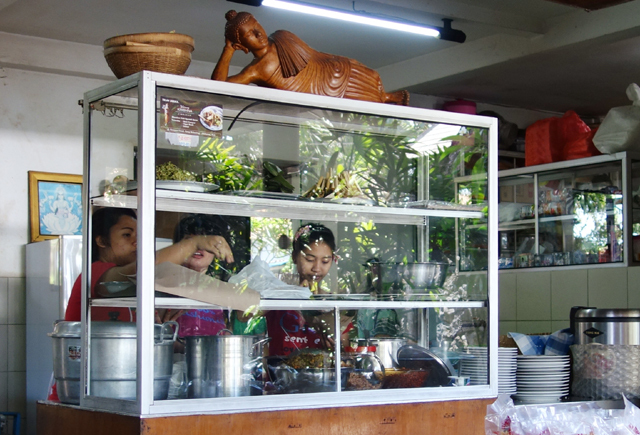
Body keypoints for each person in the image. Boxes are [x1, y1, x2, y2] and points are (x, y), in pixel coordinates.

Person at [64, 208, 234, 322]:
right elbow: (143, 269)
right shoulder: (94, 271)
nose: (136, 241)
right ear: (102, 241)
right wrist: (193, 243)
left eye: (138, 234)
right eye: (127, 235)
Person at [211, 10, 409, 106]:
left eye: (256, 26)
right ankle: (387, 98)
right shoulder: (255, 70)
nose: (258, 33)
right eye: (249, 35)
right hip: (316, 95)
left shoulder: (281, 36)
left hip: (329, 72)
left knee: (369, 77)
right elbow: (218, 87)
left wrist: (340, 61)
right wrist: (228, 50)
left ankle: (388, 97)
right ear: (242, 46)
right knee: (365, 100)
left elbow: (314, 55)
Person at [266, 223, 352, 356]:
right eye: (310, 259)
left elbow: (345, 353)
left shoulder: (334, 305)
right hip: (280, 369)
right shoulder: (277, 297)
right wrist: (292, 294)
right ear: (294, 256)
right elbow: (244, 317)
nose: (317, 268)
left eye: (325, 261)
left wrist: (336, 348)